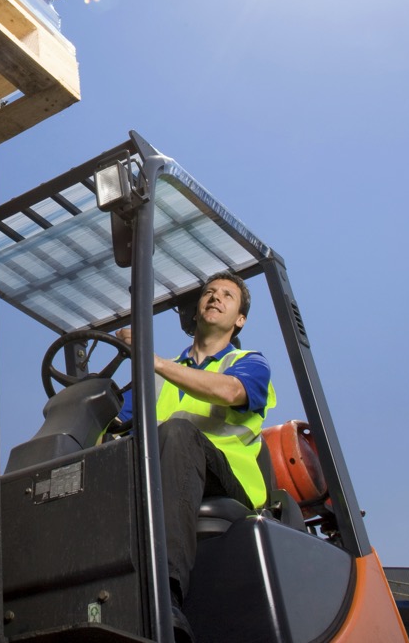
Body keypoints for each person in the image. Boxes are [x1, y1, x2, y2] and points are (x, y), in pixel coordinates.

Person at [114, 270, 275, 643]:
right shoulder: (152, 374)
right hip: (163, 477)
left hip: (227, 483)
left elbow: (231, 391)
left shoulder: (249, 361)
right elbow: (113, 419)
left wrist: (150, 359)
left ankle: (164, 596)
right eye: (209, 292)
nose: (215, 297)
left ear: (239, 320)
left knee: (179, 430)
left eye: (226, 295)